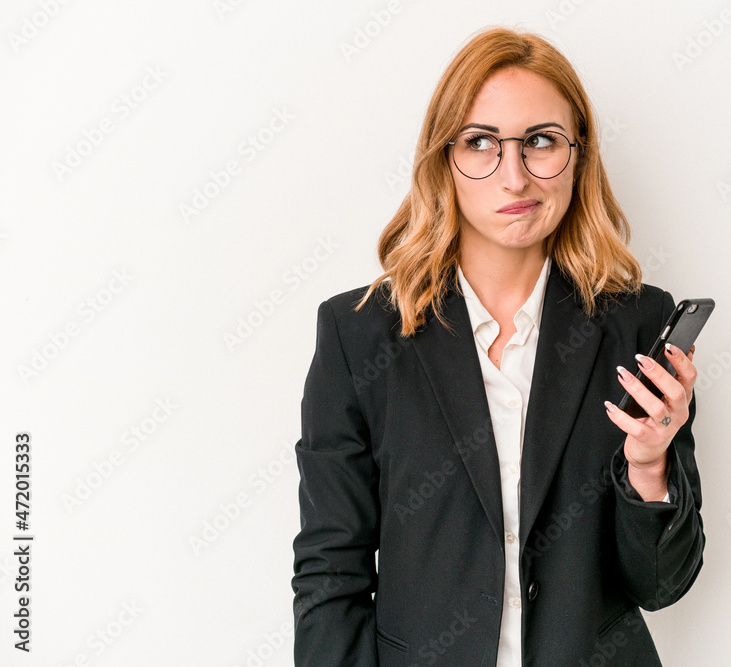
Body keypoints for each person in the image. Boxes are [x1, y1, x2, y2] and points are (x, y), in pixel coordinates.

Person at [291, 26, 706, 666]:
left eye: (540, 142)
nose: (514, 177)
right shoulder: (359, 334)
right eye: (481, 143)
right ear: (443, 160)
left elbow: (660, 586)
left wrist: (649, 465)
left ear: (579, 156)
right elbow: (331, 572)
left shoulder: (636, 325)